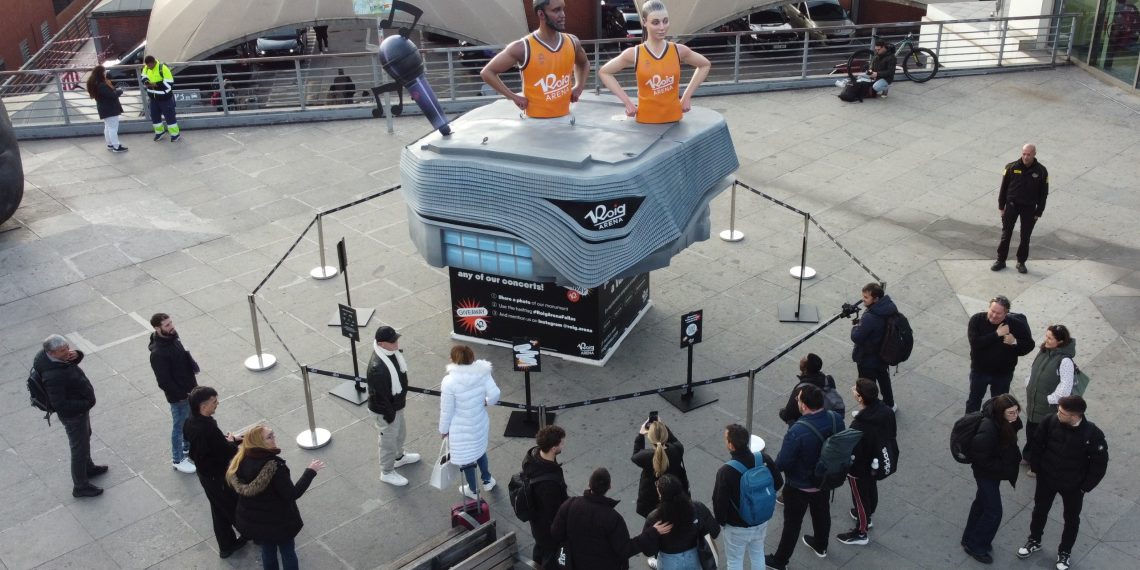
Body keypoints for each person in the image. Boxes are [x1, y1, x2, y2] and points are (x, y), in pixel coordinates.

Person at [1018, 396, 1109, 570]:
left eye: (1062, 412)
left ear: (1075, 416)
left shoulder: (1092, 434)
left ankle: (1065, 552)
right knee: (1040, 511)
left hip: (1073, 486)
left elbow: (1100, 463)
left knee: (1071, 519)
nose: (1057, 413)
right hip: (1047, 479)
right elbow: (1037, 444)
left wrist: (1084, 487)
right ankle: (1034, 540)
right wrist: (1038, 468)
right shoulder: (1050, 421)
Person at [765, 385, 843, 570]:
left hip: (799, 485)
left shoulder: (797, 431)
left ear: (805, 406)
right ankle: (821, 545)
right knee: (822, 513)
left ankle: (780, 561)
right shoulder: (836, 419)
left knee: (792, 524)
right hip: (824, 480)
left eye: (798, 399)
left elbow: (783, 462)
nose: (797, 401)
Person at [227, 424, 325, 570]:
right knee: (287, 552)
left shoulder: (241, 460)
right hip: (278, 521)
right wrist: (310, 472)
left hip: (257, 522)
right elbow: (292, 494)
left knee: (267, 551)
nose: (274, 438)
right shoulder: (274, 467)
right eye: (269, 437)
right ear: (259, 443)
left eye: (273, 434)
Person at [597, 0, 711, 123]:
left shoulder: (678, 50)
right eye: (656, 23)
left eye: (665, 21)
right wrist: (627, 102)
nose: (662, 27)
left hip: (674, 120)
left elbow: (705, 64)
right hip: (646, 121)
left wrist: (687, 97)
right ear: (644, 22)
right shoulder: (635, 53)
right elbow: (604, 72)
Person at [480, 0, 590, 118]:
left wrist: (579, 86)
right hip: (534, 121)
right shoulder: (523, 47)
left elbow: (584, 63)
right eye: (556, 10)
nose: (563, 14)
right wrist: (513, 97)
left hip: (565, 118)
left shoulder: (573, 42)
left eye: (563, 9)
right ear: (541, 14)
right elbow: (487, 72)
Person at [551, 467, 671, 570]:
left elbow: (556, 533)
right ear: (609, 487)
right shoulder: (613, 518)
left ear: (589, 484)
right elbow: (625, 549)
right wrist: (652, 532)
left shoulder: (570, 504)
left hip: (573, 564)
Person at [34, 334, 107, 498]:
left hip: (79, 410)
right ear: (51, 353)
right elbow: (60, 405)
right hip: (74, 415)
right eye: (63, 350)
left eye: (67, 347)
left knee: (85, 438)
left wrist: (77, 355)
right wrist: (85, 403)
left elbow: (69, 368)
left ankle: (88, 468)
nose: (68, 352)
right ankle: (80, 486)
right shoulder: (52, 375)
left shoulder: (53, 359)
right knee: (78, 449)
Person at [183, 386, 249, 558]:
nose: (217, 404)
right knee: (233, 506)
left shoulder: (190, 421)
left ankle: (226, 545)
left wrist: (225, 441)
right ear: (203, 406)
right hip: (217, 476)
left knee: (218, 509)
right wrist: (232, 443)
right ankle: (252, 533)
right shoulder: (207, 428)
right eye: (214, 402)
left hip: (205, 475)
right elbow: (225, 452)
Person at [962, 394, 1023, 564]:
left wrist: (1012, 421)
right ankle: (976, 546)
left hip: (992, 472)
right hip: (986, 474)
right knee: (994, 512)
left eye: (1017, 411)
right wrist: (1002, 468)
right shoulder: (988, 428)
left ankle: (969, 538)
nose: (1015, 415)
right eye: (1011, 412)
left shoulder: (1003, 421)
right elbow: (980, 457)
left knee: (981, 504)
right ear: (1000, 412)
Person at [712, 424, 782, 570]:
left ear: (731, 445)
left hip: (736, 526)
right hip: (761, 520)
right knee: (757, 554)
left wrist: (722, 522)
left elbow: (720, 502)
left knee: (735, 561)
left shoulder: (726, 471)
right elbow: (779, 482)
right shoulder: (763, 458)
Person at [836, 378, 896, 546]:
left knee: (860, 498)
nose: (853, 390)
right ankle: (867, 514)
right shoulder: (886, 411)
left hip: (859, 468)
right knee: (871, 489)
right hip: (876, 463)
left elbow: (853, 450)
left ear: (860, 398)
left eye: (856, 389)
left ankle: (861, 531)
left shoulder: (859, 425)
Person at [439, 344, 501, 499]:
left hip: (460, 428)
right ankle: (487, 480)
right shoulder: (483, 373)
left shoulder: (449, 381)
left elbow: (447, 411)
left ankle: (473, 490)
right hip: (479, 421)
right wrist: (486, 401)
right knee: (480, 451)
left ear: (453, 359)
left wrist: (443, 430)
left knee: (466, 458)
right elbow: (495, 395)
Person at [367, 326, 421, 486]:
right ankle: (387, 471)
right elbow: (380, 397)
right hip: (386, 411)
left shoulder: (389, 354)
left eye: (396, 339)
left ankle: (399, 457)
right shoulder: (378, 368)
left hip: (396, 406)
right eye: (392, 341)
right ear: (382, 344)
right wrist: (390, 415)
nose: (396, 343)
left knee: (400, 434)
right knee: (388, 442)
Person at [149, 312, 199, 474]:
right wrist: (182, 394)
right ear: (157, 328)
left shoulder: (172, 338)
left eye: (171, 323)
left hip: (189, 390)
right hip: (179, 397)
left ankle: (187, 448)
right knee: (178, 426)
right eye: (167, 325)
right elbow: (164, 381)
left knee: (188, 421)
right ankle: (177, 459)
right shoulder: (158, 353)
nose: (172, 327)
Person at [1023, 324, 1076, 476]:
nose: (1046, 339)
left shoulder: (1065, 361)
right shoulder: (1044, 351)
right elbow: (1033, 371)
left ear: (1060, 341)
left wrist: (1047, 399)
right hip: (1034, 404)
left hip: (1046, 408)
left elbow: (1065, 388)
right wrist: (1029, 384)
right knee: (1031, 431)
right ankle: (1028, 456)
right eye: (1046, 336)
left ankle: (1037, 466)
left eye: (1050, 338)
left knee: (1042, 438)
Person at [967, 296, 1034, 413]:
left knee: (999, 405)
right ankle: (968, 426)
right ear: (988, 307)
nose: (993, 316)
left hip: (1002, 374)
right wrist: (997, 334)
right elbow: (975, 343)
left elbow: (1029, 345)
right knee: (974, 400)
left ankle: (996, 428)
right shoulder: (977, 319)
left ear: (1006, 313)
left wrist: (1014, 342)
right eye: (992, 311)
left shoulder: (1016, 324)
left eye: (998, 313)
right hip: (979, 371)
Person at [643, 474, 719, 570]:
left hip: (668, 561)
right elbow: (715, 531)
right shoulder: (697, 507)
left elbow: (647, 549)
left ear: (661, 495)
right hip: (695, 556)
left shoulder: (654, 517)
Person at [993, 144, 1048, 273]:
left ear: (1034, 154)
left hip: (1029, 209)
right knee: (1006, 235)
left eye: (1029, 154)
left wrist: (1039, 212)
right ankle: (1001, 260)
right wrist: (1001, 207)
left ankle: (1021, 262)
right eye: (1024, 153)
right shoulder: (1011, 167)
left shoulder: (1041, 171)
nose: (1026, 157)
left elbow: (1043, 194)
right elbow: (1003, 188)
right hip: (1011, 206)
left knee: (1025, 237)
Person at [523, 425, 569, 568]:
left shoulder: (533, 457)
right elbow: (554, 512)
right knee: (550, 556)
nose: (563, 444)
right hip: (547, 528)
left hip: (536, 522)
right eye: (561, 442)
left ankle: (536, 562)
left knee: (540, 547)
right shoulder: (549, 483)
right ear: (553, 448)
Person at [850, 282, 899, 411]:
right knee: (883, 379)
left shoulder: (870, 318)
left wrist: (855, 327)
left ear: (876, 299)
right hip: (883, 354)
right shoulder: (889, 308)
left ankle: (868, 410)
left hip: (868, 358)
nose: (863, 300)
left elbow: (857, 337)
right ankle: (890, 404)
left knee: (866, 386)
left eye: (866, 297)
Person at [631, 418, 689, 518]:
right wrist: (662, 426)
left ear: (650, 437)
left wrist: (640, 435)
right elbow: (674, 440)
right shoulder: (677, 449)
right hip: (674, 493)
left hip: (651, 500)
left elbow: (635, 455)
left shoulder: (647, 456)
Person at [778, 353, 831, 425]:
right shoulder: (826, 379)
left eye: (804, 359)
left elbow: (788, 414)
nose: (802, 358)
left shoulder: (801, 390)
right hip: (823, 418)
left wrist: (782, 412)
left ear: (805, 369)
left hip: (806, 424)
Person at [85, 65, 127, 152]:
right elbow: (112, 95)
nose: (105, 74)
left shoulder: (95, 83)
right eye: (104, 72)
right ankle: (116, 146)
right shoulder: (101, 85)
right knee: (113, 128)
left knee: (108, 127)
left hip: (104, 109)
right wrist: (120, 91)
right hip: (110, 109)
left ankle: (110, 144)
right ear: (101, 73)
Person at [142, 55, 181, 142]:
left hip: (165, 98)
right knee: (154, 116)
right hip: (153, 98)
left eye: (150, 66)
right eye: (147, 66)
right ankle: (159, 132)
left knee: (169, 116)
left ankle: (175, 135)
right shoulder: (146, 67)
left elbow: (169, 83)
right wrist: (146, 82)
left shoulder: (163, 68)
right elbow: (143, 76)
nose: (149, 68)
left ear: (154, 62)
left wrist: (155, 85)